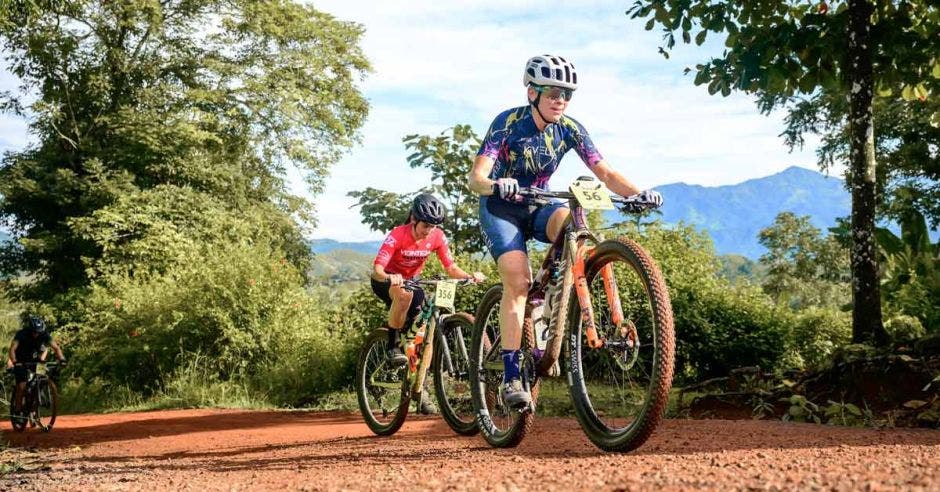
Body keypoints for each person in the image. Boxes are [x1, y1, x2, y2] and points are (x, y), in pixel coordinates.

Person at [467, 54, 664, 408]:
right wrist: (496, 184)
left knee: (573, 228)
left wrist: (636, 193)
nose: (561, 100)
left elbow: (605, 172)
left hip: (540, 202)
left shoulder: (570, 128)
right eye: (554, 92)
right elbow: (476, 178)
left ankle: (555, 304)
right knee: (518, 282)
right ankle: (512, 377)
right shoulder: (507, 123)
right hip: (502, 206)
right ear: (533, 93)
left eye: (567, 94)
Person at [371, 193, 485, 367]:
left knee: (423, 329)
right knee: (404, 296)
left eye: (433, 226)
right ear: (413, 219)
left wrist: (470, 276)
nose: (429, 230)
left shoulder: (437, 236)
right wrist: (389, 277)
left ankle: (417, 380)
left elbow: (451, 268)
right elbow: (377, 269)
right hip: (386, 280)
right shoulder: (398, 234)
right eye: (425, 225)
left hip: (412, 280)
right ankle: (392, 347)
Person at [7, 315, 66, 420]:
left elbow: (56, 348)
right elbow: (12, 349)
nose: (36, 334)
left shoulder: (44, 334)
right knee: (22, 385)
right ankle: (18, 410)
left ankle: (34, 404)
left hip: (35, 361)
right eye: (34, 331)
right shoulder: (21, 334)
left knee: (42, 378)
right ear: (30, 329)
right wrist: (15, 362)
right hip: (20, 361)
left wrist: (62, 359)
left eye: (38, 332)